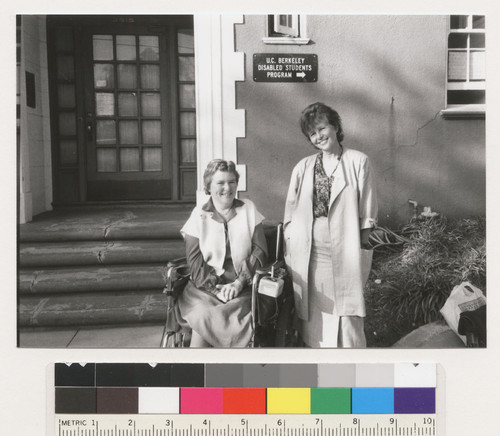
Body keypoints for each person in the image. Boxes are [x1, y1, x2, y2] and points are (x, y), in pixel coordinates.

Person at [284, 102, 378, 348]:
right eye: (312, 134)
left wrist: (362, 248)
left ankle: (354, 369)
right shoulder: (303, 167)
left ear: (335, 126)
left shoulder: (358, 161)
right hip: (310, 251)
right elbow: (290, 211)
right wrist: (290, 238)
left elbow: (367, 212)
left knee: (348, 313)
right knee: (316, 313)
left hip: (346, 246)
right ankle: (322, 366)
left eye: (321, 128)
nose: (318, 137)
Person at [176, 159, 268, 347]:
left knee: (235, 317)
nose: (228, 187)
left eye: (232, 182)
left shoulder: (248, 208)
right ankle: (200, 369)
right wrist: (215, 289)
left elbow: (260, 251)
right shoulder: (198, 214)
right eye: (220, 183)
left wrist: (238, 283)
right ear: (208, 187)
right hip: (203, 289)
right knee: (203, 315)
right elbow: (194, 260)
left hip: (242, 288)